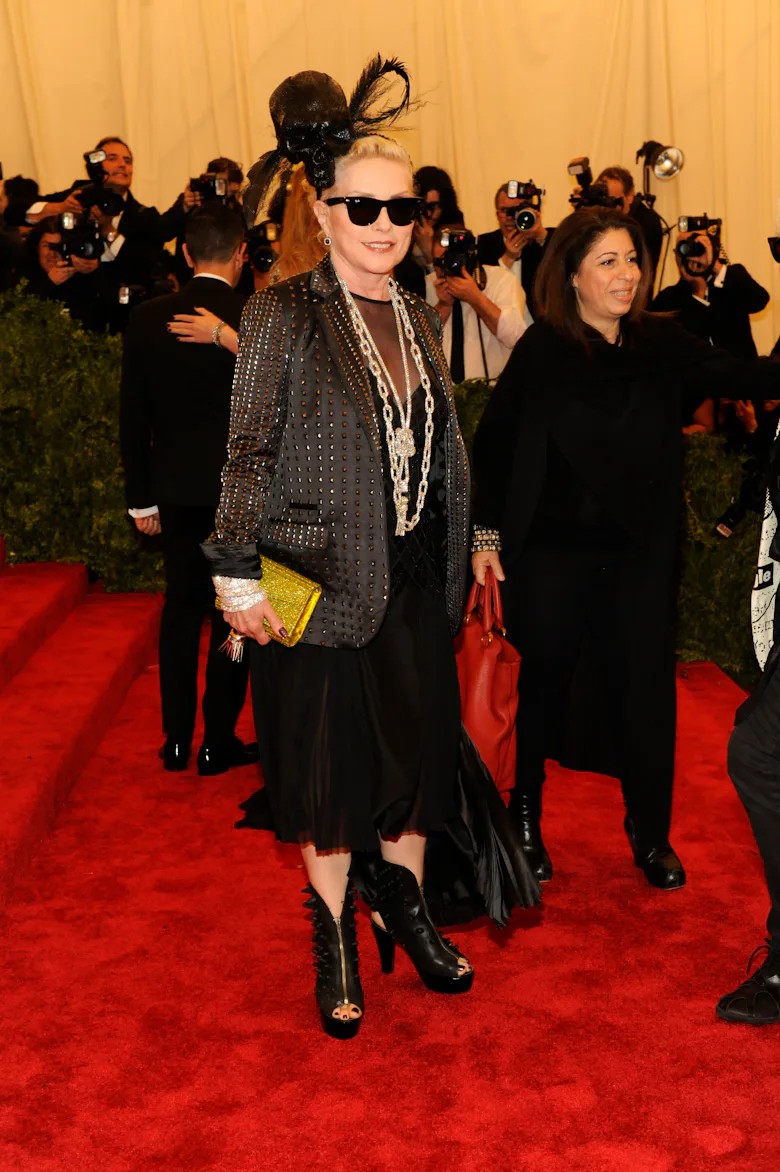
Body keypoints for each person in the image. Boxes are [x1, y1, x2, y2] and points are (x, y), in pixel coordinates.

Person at [202, 58, 538, 1039]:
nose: (387, 225)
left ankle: (409, 902)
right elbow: (247, 454)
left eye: (403, 209)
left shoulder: (421, 316)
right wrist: (234, 582)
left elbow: (440, 443)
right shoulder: (280, 314)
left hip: (413, 580)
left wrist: (474, 536)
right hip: (305, 579)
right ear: (327, 206)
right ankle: (336, 933)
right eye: (366, 209)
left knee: (413, 760)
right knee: (324, 769)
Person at [471, 206, 780, 891]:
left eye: (634, 259)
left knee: (644, 694)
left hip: (639, 557)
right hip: (549, 555)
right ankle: (524, 817)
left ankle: (650, 833)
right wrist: (484, 538)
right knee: (541, 686)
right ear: (573, 275)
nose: (627, 274)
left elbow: (748, 377)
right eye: (608, 261)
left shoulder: (660, 343)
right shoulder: (544, 351)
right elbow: (491, 449)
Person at [119, 202, 258, 777]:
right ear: (243, 254)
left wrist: (140, 496)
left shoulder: (149, 317)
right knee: (234, 613)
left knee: (180, 609)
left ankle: (176, 740)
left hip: (174, 491)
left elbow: (134, 413)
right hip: (239, 499)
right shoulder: (256, 318)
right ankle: (217, 741)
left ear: (184, 251)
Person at [651, 224, 769, 361]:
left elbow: (760, 301)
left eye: (699, 246)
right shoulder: (667, 299)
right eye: (684, 247)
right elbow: (683, 346)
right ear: (676, 255)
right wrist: (698, 292)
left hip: (740, 377)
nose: (692, 254)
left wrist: (715, 264)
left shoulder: (733, 278)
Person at [426, 225, 525, 381]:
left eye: (451, 260)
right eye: (439, 262)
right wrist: (443, 306)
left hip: (491, 392)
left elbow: (516, 337)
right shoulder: (427, 285)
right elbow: (416, 344)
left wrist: (476, 298)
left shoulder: (501, 280)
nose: (445, 269)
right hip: (442, 396)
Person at [477, 182, 554, 321]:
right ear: (496, 214)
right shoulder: (484, 244)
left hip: (539, 326)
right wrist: (508, 258)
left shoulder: (542, 239)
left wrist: (540, 234)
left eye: (515, 211)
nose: (509, 217)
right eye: (504, 211)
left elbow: (561, 264)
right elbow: (483, 294)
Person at [597, 165, 664, 282]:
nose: (606, 205)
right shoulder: (597, 218)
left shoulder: (646, 222)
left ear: (629, 197)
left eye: (611, 199)